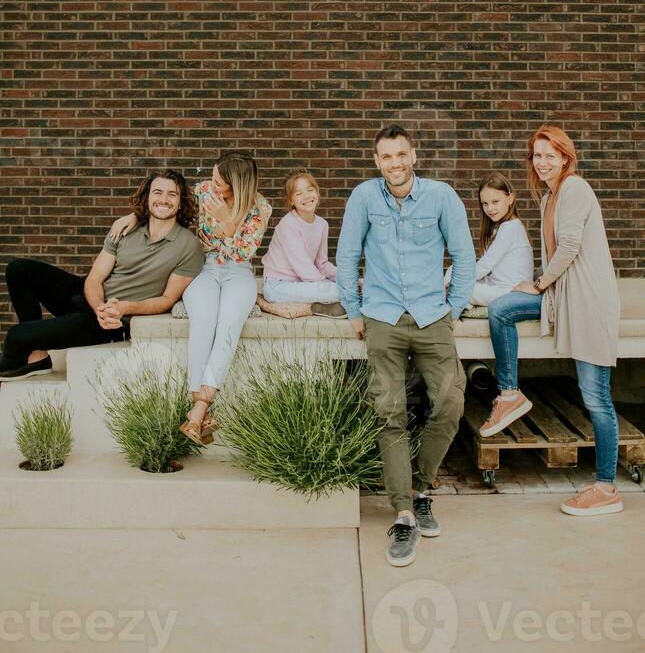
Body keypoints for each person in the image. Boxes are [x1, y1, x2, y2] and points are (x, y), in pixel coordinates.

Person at [336, 124, 475, 567]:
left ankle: (420, 488)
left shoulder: (441, 196)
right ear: (377, 161)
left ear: (414, 155)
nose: (394, 163)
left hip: (433, 316)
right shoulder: (363, 197)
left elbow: (464, 255)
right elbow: (346, 254)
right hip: (382, 317)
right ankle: (403, 512)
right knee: (388, 410)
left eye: (401, 155)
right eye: (385, 157)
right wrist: (354, 309)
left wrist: (452, 307)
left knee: (451, 401)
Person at [480, 125, 623, 517]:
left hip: (589, 302)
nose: (543, 162)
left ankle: (605, 487)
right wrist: (539, 287)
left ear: (565, 157)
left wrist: (540, 282)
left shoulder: (575, 189)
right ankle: (510, 394)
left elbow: (572, 246)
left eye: (550, 154)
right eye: (537, 155)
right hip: (562, 298)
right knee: (502, 309)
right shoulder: (548, 197)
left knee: (596, 397)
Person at [111, 153, 272, 446]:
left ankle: (198, 410)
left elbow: (242, 253)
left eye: (219, 181)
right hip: (204, 266)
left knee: (229, 324)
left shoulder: (260, 207)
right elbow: (166, 206)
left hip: (238, 271)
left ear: (236, 185)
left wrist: (227, 222)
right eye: (212, 176)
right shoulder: (202, 192)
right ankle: (201, 411)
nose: (212, 183)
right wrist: (135, 215)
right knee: (204, 320)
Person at [0, 170, 204, 380]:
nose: (163, 199)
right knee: (18, 269)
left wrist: (122, 308)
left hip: (112, 323)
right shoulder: (125, 229)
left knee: (17, 337)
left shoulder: (188, 246)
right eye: (157, 192)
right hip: (91, 299)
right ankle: (38, 355)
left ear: (181, 203)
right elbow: (95, 278)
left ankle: (18, 359)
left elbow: (167, 299)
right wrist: (99, 307)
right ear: (147, 198)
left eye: (172, 194)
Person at [258, 169, 345, 319]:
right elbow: (303, 267)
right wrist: (328, 286)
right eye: (298, 194)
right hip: (278, 285)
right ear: (291, 201)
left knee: (348, 286)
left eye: (310, 190)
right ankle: (327, 303)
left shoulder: (322, 224)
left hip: (304, 283)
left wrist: (346, 279)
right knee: (339, 291)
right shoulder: (289, 224)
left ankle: (324, 304)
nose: (306, 196)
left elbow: (322, 264)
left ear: (317, 192)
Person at [444, 171, 533, 307]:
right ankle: (458, 299)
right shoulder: (501, 227)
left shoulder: (510, 228)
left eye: (495, 202)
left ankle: (453, 300)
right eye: (485, 203)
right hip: (494, 285)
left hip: (509, 292)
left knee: (458, 287)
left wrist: (458, 281)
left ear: (510, 199)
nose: (490, 208)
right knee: (454, 270)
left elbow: (485, 266)